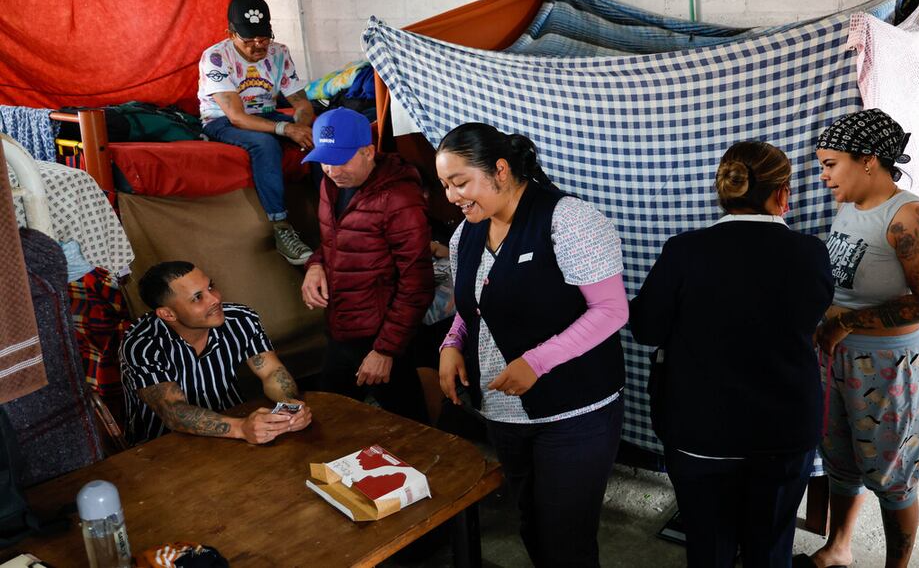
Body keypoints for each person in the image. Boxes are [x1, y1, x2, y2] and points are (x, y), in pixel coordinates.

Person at [630, 141, 834, 568]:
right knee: (771, 548)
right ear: (782, 194)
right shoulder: (810, 253)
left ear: (725, 190)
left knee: (709, 549)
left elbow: (645, 329)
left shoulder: (684, 250)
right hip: (783, 430)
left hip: (699, 431)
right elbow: (808, 321)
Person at [435, 122, 628, 568]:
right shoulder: (467, 234)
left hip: (575, 411)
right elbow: (473, 307)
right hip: (504, 410)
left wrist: (537, 362)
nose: (451, 196)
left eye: (460, 182)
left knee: (567, 539)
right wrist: (451, 343)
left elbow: (611, 311)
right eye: (445, 185)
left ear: (500, 170)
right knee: (532, 525)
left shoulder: (569, 220)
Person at [803, 109, 919, 568]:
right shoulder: (849, 207)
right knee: (841, 463)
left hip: (889, 369)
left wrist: (847, 322)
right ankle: (839, 546)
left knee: (893, 475)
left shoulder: (912, 216)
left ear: (868, 160)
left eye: (831, 164)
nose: (824, 174)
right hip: (835, 359)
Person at [300, 108, 433, 424]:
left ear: (369, 152)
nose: (332, 169)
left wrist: (385, 351)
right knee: (331, 421)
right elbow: (336, 241)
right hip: (340, 329)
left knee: (410, 428)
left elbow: (418, 282)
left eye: (342, 159)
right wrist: (315, 265)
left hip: (381, 337)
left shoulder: (400, 199)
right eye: (325, 160)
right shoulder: (331, 184)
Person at [119, 261, 312, 445]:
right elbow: (174, 412)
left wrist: (289, 406)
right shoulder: (142, 344)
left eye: (210, 287)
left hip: (234, 423)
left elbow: (271, 371)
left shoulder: (240, 319)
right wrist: (241, 428)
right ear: (168, 314)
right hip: (163, 446)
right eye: (197, 297)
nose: (215, 299)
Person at [197, 0, 315, 265]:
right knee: (264, 144)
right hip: (222, 120)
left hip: (265, 113)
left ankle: (334, 214)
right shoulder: (215, 57)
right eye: (248, 41)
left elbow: (301, 102)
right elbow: (237, 117)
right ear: (230, 34)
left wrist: (302, 125)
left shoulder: (279, 53)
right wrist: (285, 130)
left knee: (320, 133)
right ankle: (281, 228)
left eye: (263, 38)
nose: (257, 46)